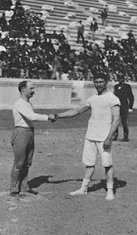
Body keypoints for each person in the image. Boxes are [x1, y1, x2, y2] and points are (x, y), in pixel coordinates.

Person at [55, 72, 120, 201]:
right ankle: (83, 189)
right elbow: (77, 111)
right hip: (91, 136)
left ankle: (110, 190)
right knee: (89, 164)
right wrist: (58, 115)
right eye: (96, 82)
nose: (98, 84)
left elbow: (116, 119)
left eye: (101, 82)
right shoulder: (92, 99)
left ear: (106, 82)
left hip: (103, 137)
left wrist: (108, 138)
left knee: (107, 164)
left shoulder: (112, 98)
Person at [10, 80, 56, 196]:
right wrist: (47, 117)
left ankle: (24, 187)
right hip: (21, 132)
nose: (33, 91)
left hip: (30, 132)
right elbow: (31, 116)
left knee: (27, 162)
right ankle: (14, 189)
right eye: (31, 89)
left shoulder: (28, 104)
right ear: (23, 89)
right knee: (19, 163)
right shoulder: (19, 103)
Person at [113, 74, 134, 141]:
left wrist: (130, 106)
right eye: (119, 78)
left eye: (121, 78)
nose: (120, 80)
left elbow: (131, 97)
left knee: (124, 121)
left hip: (124, 105)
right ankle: (115, 135)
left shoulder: (127, 86)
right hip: (117, 105)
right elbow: (114, 96)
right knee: (115, 120)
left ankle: (125, 135)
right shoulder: (116, 86)